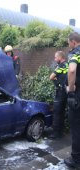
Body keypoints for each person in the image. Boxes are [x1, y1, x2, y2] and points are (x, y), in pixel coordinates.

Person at [64, 32, 80, 169]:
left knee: (76, 128)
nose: (68, 45)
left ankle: (75, 159)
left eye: (69, 43)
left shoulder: (75, 52)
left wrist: (71, 91)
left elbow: (72, 70)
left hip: (77, 95)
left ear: (73, 42)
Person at [49, 51, 68, 139]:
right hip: (66, 92)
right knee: (62, 112)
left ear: (60, 58)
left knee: (57, 113)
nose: (55, 59)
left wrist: (56, 79)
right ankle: (61, 133)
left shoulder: (60, 66)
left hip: (60, 93)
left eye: (56, 57)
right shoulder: (68, 64)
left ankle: (55, 134)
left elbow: (51, 77)